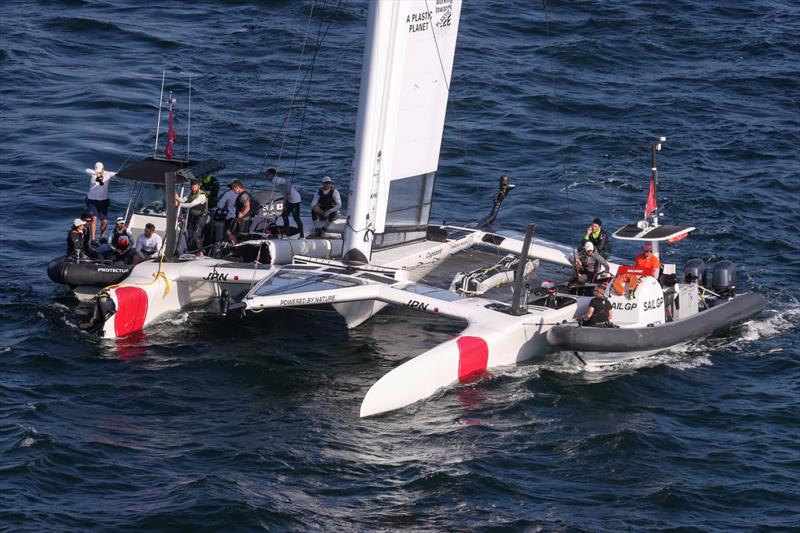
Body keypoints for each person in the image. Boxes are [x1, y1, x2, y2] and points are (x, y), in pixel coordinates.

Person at [84, 161, 117, 242]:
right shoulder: (93, 173)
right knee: (94, 219)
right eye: (97, 171)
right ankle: (93, 239)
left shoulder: (108, 174)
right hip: (92, 200)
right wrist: (96, 174)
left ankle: (102, 237)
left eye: (100, 171)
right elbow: (86, 170)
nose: (99, 173)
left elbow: (117, 174)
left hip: (103, 201)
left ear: (103, 169)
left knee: (104, 221)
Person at [265, 168, 303, 237]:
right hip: (288, 199)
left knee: (296, 218)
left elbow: (287, 182)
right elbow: (283, 193)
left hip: (295, 199)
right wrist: (284, 203)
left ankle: (302, 235)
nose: (266, 176)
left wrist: (288, 191)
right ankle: (286, 232)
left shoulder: (276, 179)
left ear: (272, 175)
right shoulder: (274, 181)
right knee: (284, 215)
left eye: (267, 175)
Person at [176, 178, 210, 256]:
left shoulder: (202, 196)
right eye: (192, 187)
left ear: (199, 186)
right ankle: (191, 250)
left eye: (195, 187)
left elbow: (190, 204)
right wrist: (177, 198)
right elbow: (183, 200)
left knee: (196, 234)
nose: (193, 189)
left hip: (201, 216)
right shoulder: (190, 192)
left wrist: (178, 205)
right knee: (190, 234)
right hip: (192, 216)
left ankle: (201, 252)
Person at [227, 180, 252, 244]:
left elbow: (248, 207)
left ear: (237, 187)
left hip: (244, 219)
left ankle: (239, 246)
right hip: (239, 218)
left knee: (242, 236)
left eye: (233, 189)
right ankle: (235, 245)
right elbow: (243, 204)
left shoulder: (244, 195)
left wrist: (242, 214)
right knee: (229, 232)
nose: (233, 191)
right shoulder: (241, 195)